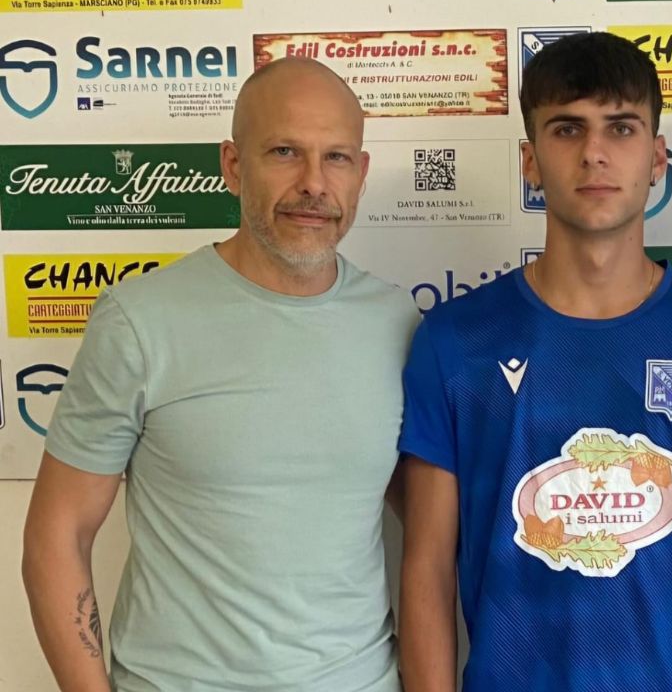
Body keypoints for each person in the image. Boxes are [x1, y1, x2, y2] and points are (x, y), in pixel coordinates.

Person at [398, 31, 672, 691]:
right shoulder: (455, 342)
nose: (595, 152)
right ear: (530, 162)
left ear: (658, 157)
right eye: (567, 129)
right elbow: (427, 569)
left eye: (621, 127)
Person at [22, 57, 417, 692]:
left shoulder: (398, 323)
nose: (314, 184)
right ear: (233, 165)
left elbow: (434, 527)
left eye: (337, 158)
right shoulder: (139, 320)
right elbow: (57, 535)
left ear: (361, 173)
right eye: (285, 152)